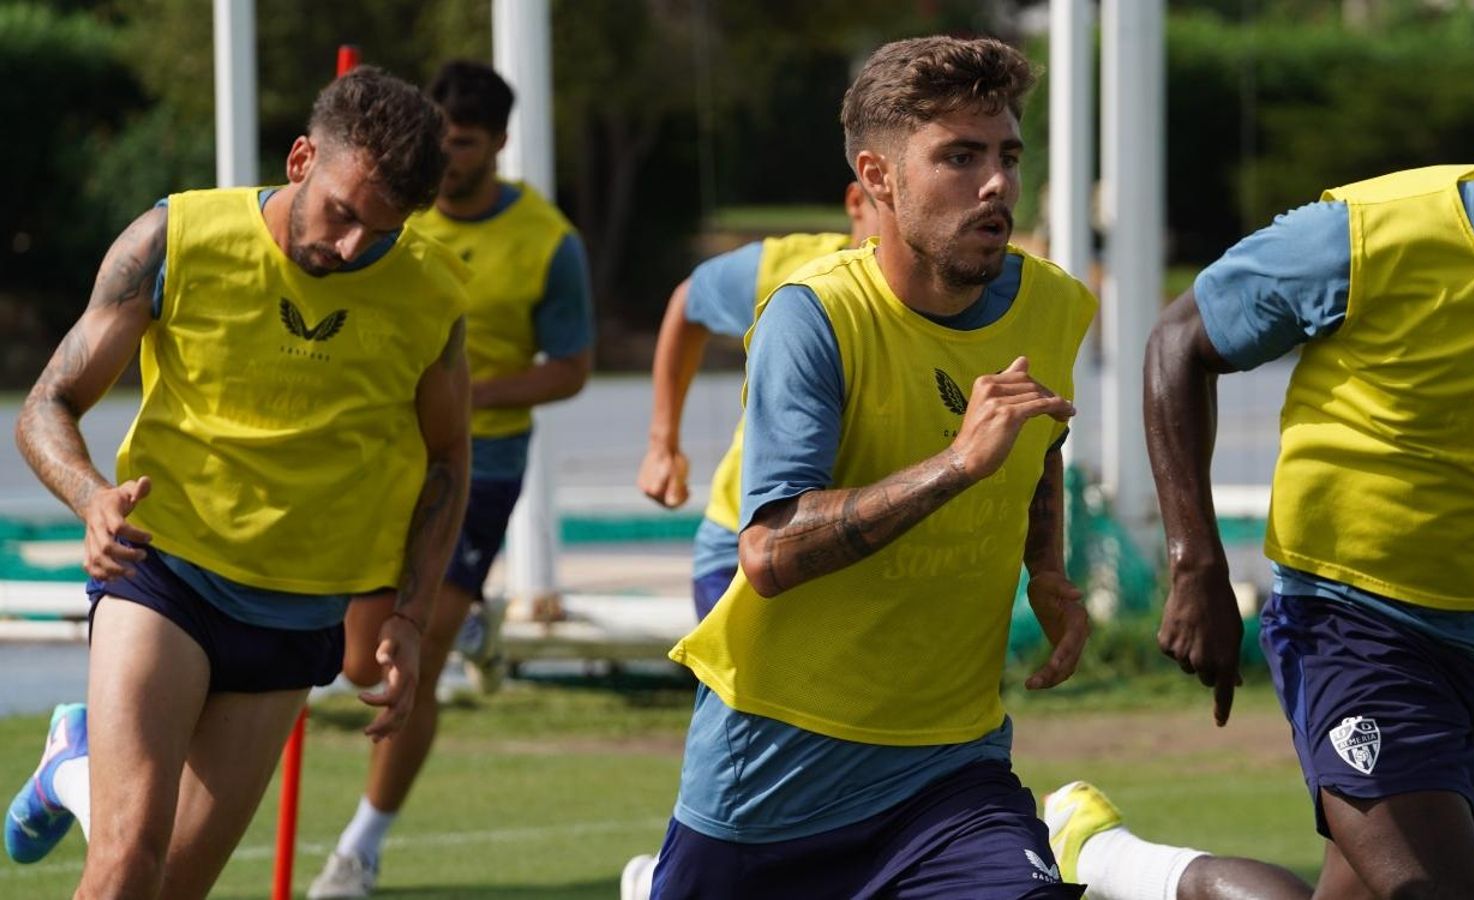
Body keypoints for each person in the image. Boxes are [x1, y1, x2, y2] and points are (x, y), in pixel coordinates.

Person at [1044, 38, 1474, 900]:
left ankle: (1112, 859)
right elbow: (1180, 343)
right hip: (1357, 623)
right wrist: (1196, 564)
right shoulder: (1366, 238)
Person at [645, 35, 1098, 899]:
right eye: (959, 157)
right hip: (773, 777)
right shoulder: (812, 317)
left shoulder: (1054, 304)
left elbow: (1041, 442)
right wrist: (956, 464)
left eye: (1007, 156)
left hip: (951, 770)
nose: (996, 184)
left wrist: (1047, 569)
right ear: (878, 178)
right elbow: (768, 552)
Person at [3, 67, 471, 900]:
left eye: (383, 231)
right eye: (343, 213)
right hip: (165, 573)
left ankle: (71, 767)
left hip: (299, 613)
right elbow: (49, 403)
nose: (352, 248)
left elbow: (447, 460)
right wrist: (92, 498)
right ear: (300, 160)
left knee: (172, 888)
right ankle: (80, 772)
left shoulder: (432, 293)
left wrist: (407, 615)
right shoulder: (174, 238)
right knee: (124, 865)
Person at [308, 59, 594, 900]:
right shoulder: (388, 210)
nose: (447, 156)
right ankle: (471, 623)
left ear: (499, 142)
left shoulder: (549, 242)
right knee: (360, 663)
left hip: (478, 462)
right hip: (376, 451)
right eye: (439, 137)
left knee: (412, 666)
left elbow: (572, 368)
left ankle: (359, 850)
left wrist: (468, 394)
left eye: (463, 143)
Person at [636, 184, 878, 619]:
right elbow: (689, 300)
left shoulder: (959, 292)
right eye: (889, 202)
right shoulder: (787, 267)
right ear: (857, 200)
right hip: (740, 543)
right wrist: (662, 444)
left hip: (865, 550)